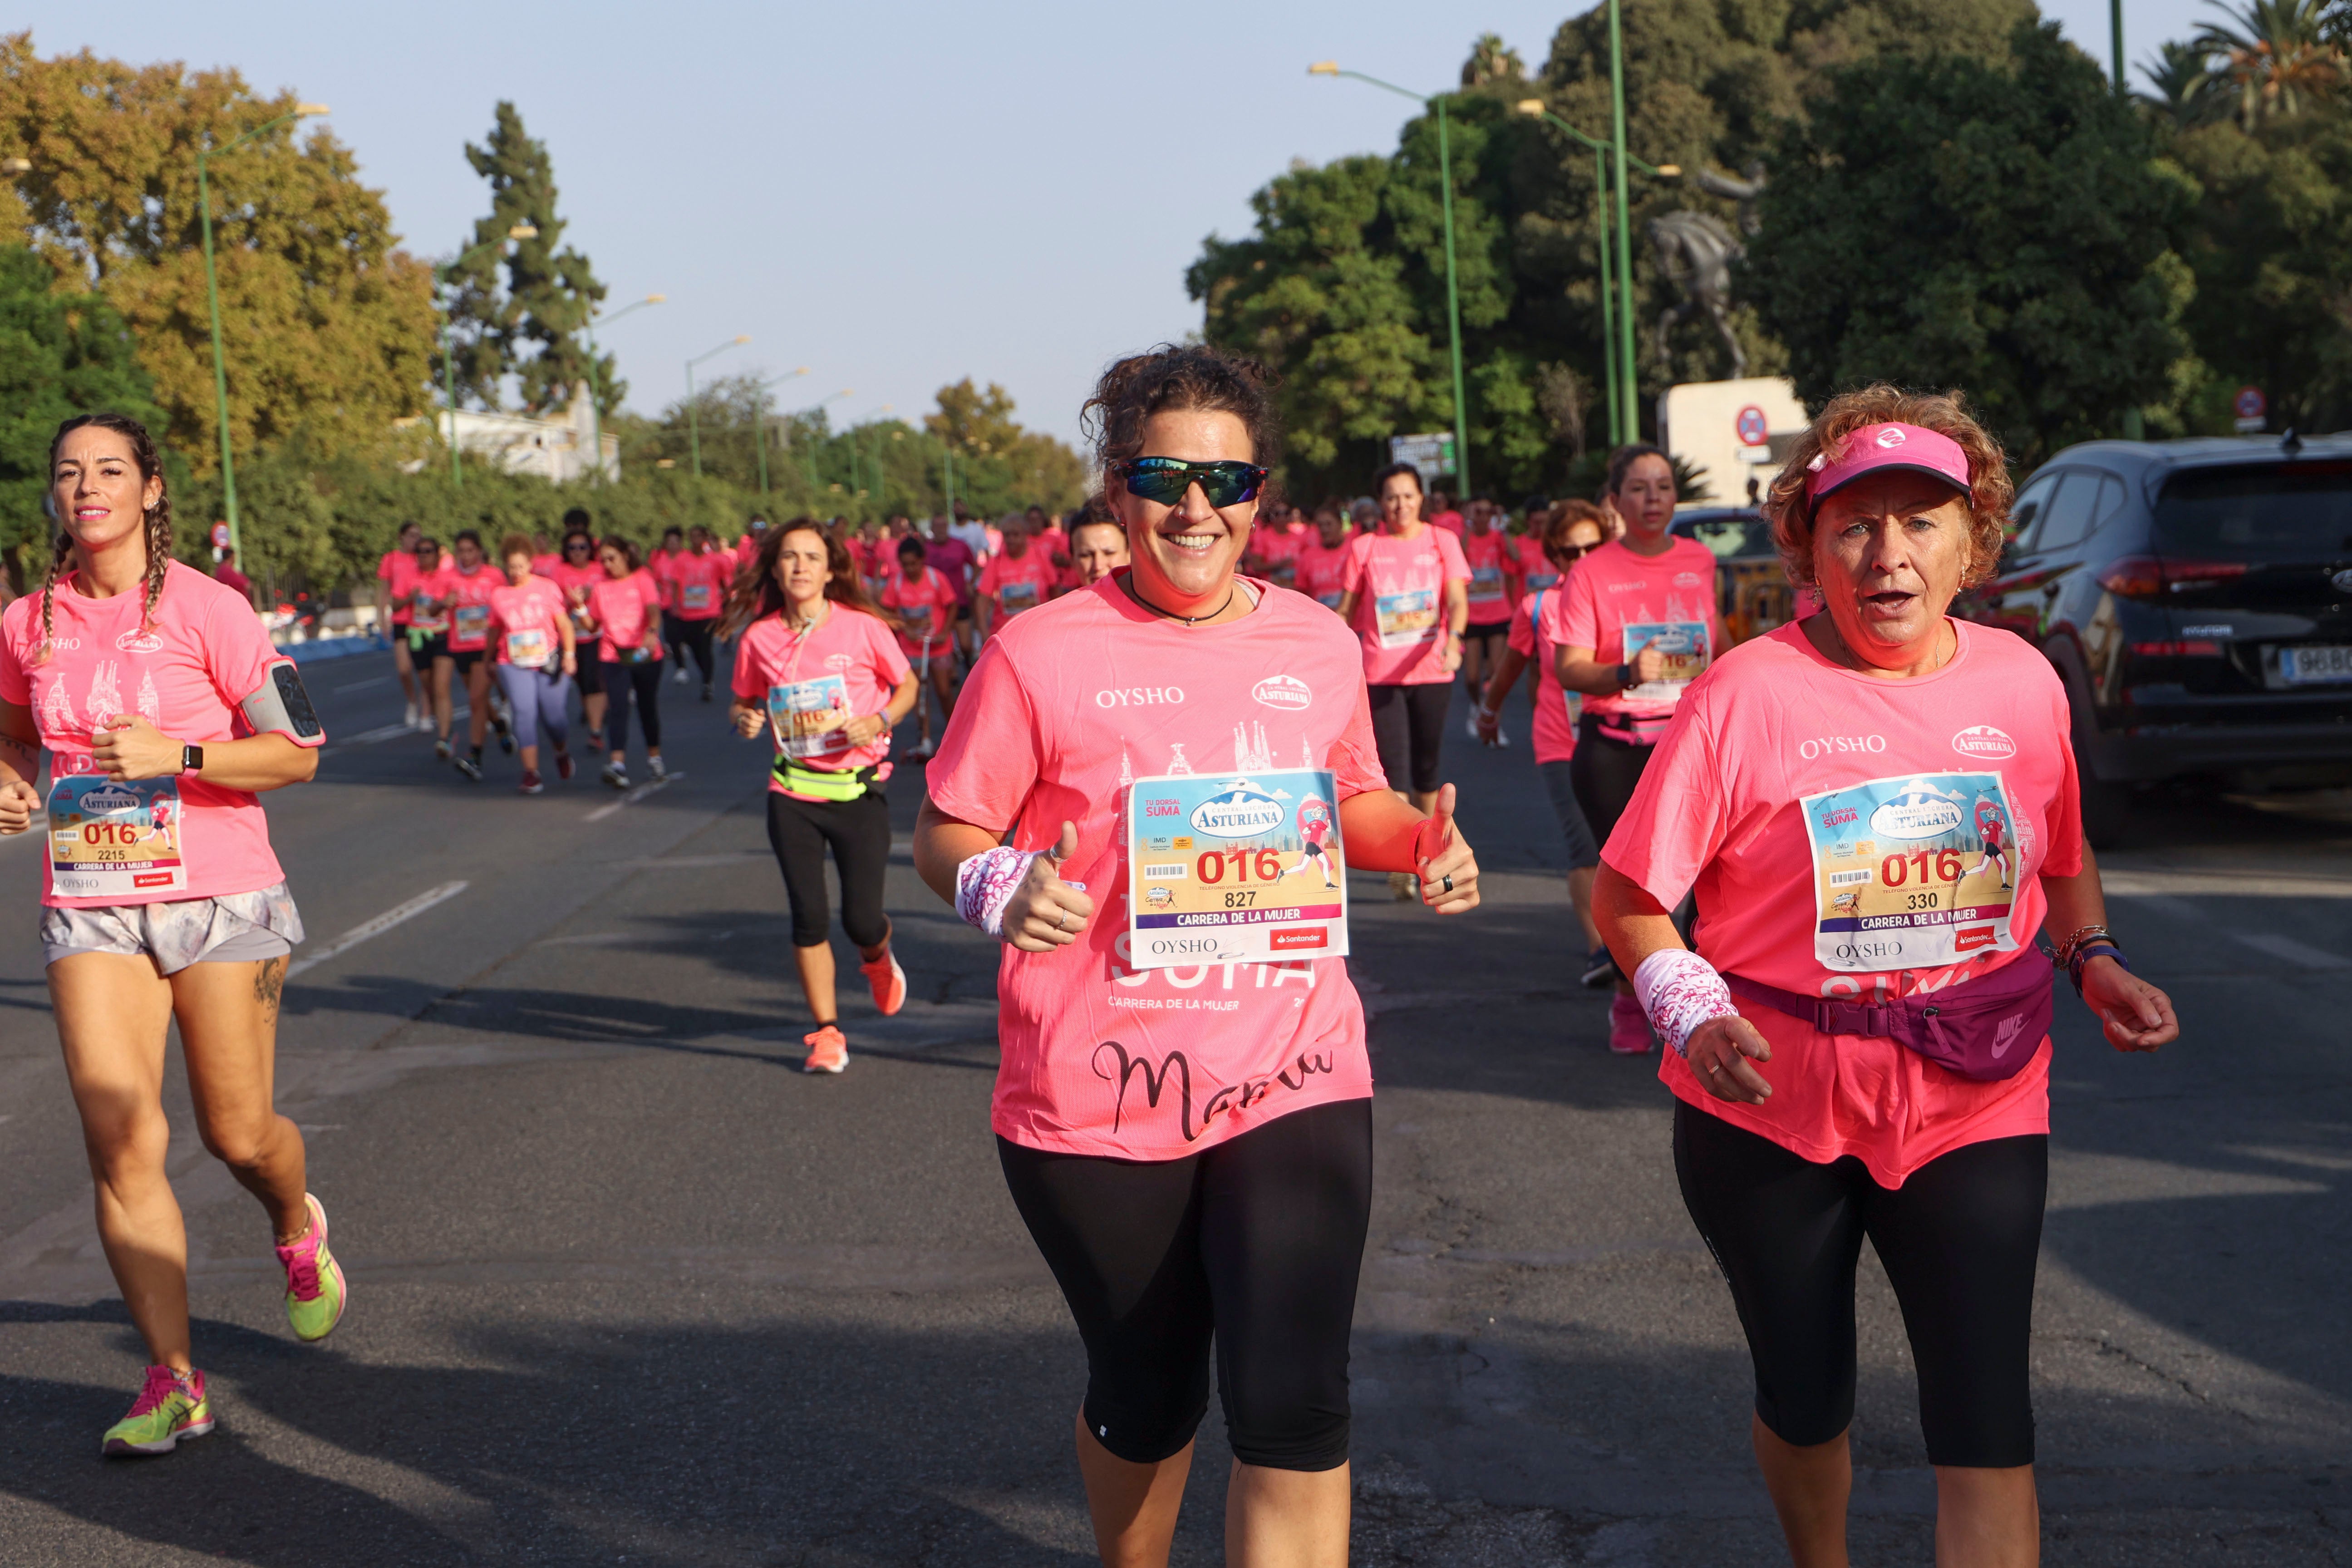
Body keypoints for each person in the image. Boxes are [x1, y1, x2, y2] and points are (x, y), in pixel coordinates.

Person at [1591, 386, 2180, 1568]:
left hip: (1976, 1087)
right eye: (1853, 523)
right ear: (1808, 546)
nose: (1887, 552)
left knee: (1985, 1415)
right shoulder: (1742, 694)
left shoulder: (2019, 684)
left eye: (1920, 521)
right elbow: (1624, 894)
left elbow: (2057, 858)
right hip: (1768, 1096)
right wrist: (1689, 1006)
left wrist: (2092, 955)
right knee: (1804, 1392)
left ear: (1973, 543)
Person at [912, 344, 1480, 1568]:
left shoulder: (1320, 643)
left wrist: (1421, 841)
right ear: (1117, 489)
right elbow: (943, 827)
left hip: (1294, 1063)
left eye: (1224, 481)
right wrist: (1000, 881)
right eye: (1161, 475)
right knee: (1149, 1387)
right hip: (1096, 1088)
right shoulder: (1038, 650)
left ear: (1258, 496)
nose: (1193, 507)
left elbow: (1355, 802)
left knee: (1291, 1399)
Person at [0, 412, 338, 1456]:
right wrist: (9, 783)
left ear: (150, 489)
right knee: (120, 1137)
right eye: (69, 472)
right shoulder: (27, 622)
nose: (86, 485)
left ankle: (295, 1221)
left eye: (109, 469)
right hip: (94, 895)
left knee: (236, 1134)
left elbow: (299, 752)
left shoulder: (216, 609)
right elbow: (14, 731)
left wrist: (179, 752)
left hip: (222, 898)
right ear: (55, 496)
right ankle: (175, 1382)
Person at [724, 521, 920, 1073]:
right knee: (808, 917)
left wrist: (879, 719)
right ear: (776, 570)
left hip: (857, 792)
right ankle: (827, 1033)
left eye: (812, 556)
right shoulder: (759, 638)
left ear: (831, 570)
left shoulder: (863, 629)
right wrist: (745, 719)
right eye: (789, 556)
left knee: (861, 919)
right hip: (792, 790)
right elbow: (742, 700)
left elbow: (908, 686)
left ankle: (878, 957)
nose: (801, 565)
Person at [1548, 443, 1724, 1052]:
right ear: (1616, 501)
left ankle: (1703, 1008)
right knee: (1632, 888)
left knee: (1711, 882)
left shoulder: (1699, 559)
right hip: (1615, 747)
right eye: (1640, 488)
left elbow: (1718, 640)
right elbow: (1568, 667)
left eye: (1664, 486)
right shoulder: (1590, 572)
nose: (1654, 499)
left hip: (1690, 743)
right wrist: (1626, 672)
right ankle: (1630, 994)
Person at [1476, 501, 1611, 985]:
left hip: (1620, 737)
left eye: (1592, 547)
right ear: (1554, 556)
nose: (1582, 558)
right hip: (1561, 741)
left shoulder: (1621, 597)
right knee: (1584, 847)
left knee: (1624, 849)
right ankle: (1600, 950)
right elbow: (1509, 668)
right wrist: (1489, 713)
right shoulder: (1538, 607)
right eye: (1570, 551)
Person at [1334, 462, 1470, 898]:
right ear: (1381, 503)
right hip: (1380, 674)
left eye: (1409, 495)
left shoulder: (1441, 540)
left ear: (1421, 498)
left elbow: (1456, 597)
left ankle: (1425, 852)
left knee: (1427, 768)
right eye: (1392, 497)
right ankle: (1403, 857)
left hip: (1432, 669)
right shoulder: (1366, 547)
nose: (1401, 505)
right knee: (1392, 768)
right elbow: (1347, 608)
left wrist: (1455, 639)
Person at [487, 533, 578, 794]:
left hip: (548, 660)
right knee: (524, 712)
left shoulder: (547, 588)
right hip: (513, 661)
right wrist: (489, 659)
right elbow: (494, 630)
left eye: (521, 566)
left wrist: (570, 655)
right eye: (512, 567)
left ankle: (561, 751)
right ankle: (531, 773)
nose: (516, 572)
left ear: (531, 564)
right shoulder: (499, 595)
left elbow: (564, 624)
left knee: (555, 718)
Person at [586, 538, 668, 788]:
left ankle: (654, 757)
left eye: (613, 558)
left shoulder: (642, 578)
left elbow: (654, 610)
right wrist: (579, 608)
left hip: (644, 653)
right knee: (618, 706)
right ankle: (618, 764)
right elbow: (592, 626)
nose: (609, 565)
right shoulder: (600, 587)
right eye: (604, 561)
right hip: (614, 655)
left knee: (646, 707)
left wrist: (651, 633)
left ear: (625, 556)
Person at [881, 534, 961, 761]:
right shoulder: (896, 583)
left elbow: (952, 605)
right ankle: (925, 739)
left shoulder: (936, 579)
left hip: (938, 646)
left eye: (914, 564)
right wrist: (903, 629)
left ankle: (956, 735)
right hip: (913, 648)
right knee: (919, 693)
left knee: (944, 692)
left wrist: (945, 630)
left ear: (922, 560)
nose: (910, 569)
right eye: (905, 565)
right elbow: (888, 611)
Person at [438, 530, 507, 782]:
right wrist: (444, 603)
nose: (466, 556)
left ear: (479, 551)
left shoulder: (494, 576)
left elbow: (506, 605)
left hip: (486, 645)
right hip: (460, 646)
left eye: (471, 551)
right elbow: (434, 607)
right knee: (478, 699)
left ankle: (475, 756)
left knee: (476, 700)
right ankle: (499, 726)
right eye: (462, 551)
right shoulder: (449, 577)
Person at [1457, 499, 1516, 739]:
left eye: (1487, 512)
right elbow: (1458, 557)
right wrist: (1468, 527)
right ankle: (1475, 705)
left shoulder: (1498, 537)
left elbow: (1516, 555)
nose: (1483, 517)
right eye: (1477, 512)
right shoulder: (1466, 538)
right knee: (1472, 677)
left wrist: (1503, 529)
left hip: (1498, 614)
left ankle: (1493, 724)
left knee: (1495, 673)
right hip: (1472, 616)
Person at [548, 514, 607, 749]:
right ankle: (593, 714)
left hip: (598, 633)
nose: (577, 552)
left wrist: (593, 596)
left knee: (595, 680)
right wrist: (570, 601)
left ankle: (596, 730)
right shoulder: (559, 572)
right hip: (572, 635)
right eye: (572, 548)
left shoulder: (600, 570)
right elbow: (553, 602)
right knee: (582, 682)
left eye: (583, 547)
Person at [405, 533, 458, 758]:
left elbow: (455, 601)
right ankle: (444, 722)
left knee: (440, 687)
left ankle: (444, 738)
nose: (424, 556)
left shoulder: (449, 577)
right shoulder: (410, 577)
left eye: (429, 551)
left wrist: (447, 602)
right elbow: (396, 603)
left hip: (443, 635)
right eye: (420, 552)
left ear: (438, 554)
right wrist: (410, 597)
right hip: (418, 636)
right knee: (429, 687)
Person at [375, 522, 430, 731]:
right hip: (401, 619)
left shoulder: (423, 559)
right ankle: (412, 701)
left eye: (418, 536)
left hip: (423, 621)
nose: (415, 540)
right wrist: (383, 619)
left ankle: (426, 712)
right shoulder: (391, 559)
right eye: (411, 536)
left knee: (425, 671)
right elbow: (384, 591)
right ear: (402, 537)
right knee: (404, 669)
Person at [973, 511, 1059, 641]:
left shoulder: (1039, 555)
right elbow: (983, 600)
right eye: (1007, 535)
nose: (1011, 540)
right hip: (1006, 632)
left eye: (1016, 535)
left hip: (1038, 629)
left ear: (1026, 535)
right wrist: (984, 633)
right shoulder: (996, 561)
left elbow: (1055, 589)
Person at [667, 525, 731, 700]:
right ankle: (705, 672)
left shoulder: (715, 560)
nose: (695, 540)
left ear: (704, 539)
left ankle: (707, 683)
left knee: (705, 645)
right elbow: (675, 582)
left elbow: (723, 582)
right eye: (692, 536)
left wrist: (727, 599)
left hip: (709, 610)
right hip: (688, 612)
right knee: (693, 646)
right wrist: (675, 603)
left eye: (698, 537)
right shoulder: (682, 559)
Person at [924, 514, 979, 668]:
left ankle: (969, 664)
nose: (941, 530)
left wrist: (971, 582)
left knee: (966, 645)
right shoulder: (926, 548)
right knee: (943, 643)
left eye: (943, 526)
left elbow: (976, 565)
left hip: (959, 599)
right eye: (937, 526)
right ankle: (952, 673)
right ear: (932, 529)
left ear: (948, 527)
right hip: (937, 605)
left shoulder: (960, 545)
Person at [1294, 502, 1352, 610]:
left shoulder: (1353, 551)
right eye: (1320, 525)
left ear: (1340, 524)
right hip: (1320, 620)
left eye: (1329, 524)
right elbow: (1300, 593)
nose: (1324, 530)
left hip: (1351, 622)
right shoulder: (1308, 556)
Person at [1066, 515, 1130, 588]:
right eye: (1086, 555)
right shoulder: (1063, 600)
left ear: (1130, 554)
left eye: (1109, 553)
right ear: (1072, 561)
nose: (1098, 566)